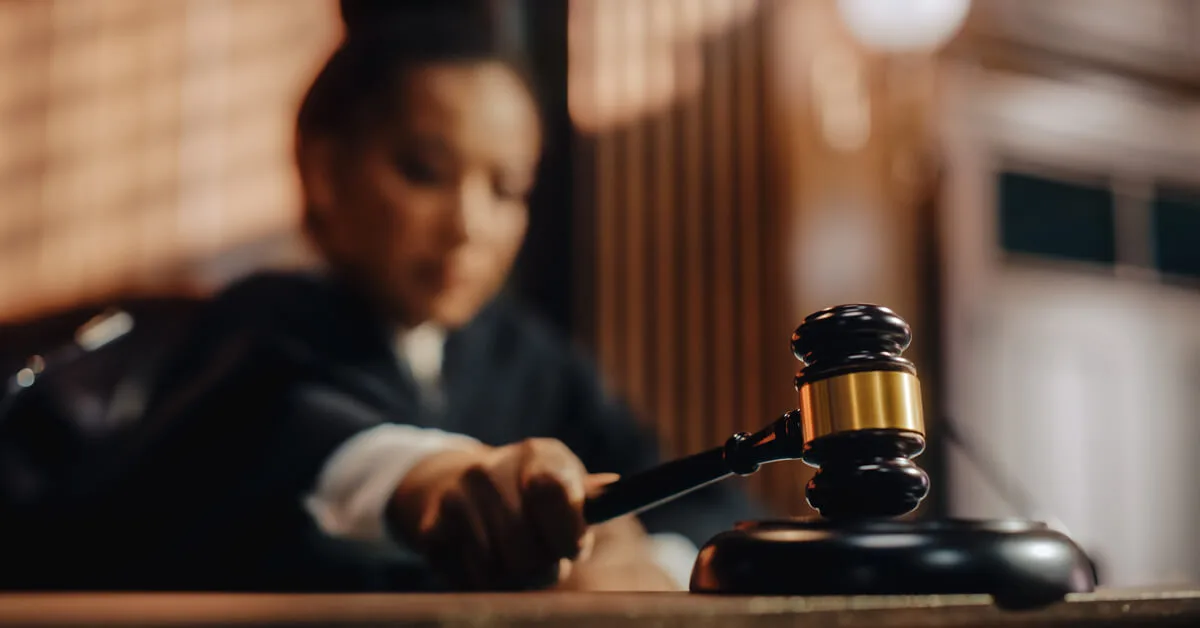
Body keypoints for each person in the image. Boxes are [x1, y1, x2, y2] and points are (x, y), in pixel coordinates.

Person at [47, 0, 765, 593]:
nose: (468, 225)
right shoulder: (255, 326)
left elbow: (710, 500)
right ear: (324, 169)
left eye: (507, 189)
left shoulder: (525, 353)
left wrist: (654, 567)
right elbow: (298, 437)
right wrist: (444, 483)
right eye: (424, 171)